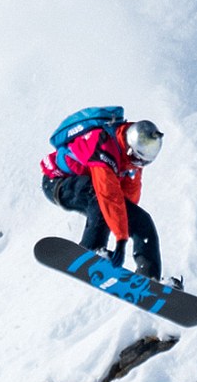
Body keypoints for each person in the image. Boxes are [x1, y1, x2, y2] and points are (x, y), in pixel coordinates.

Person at [41, 119, 165, 280]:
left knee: (143, 220)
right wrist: (121, 239)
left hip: (93, 188)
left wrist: (125, 223)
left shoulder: (133, 162)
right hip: (59, 182)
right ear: (129, 147)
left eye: (143, 161)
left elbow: (127, 202)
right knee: (99, 199)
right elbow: (107, 195)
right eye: (136, 158)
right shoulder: (104, 144)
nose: (138, 163)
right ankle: (91, 250)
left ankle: (149, 277)